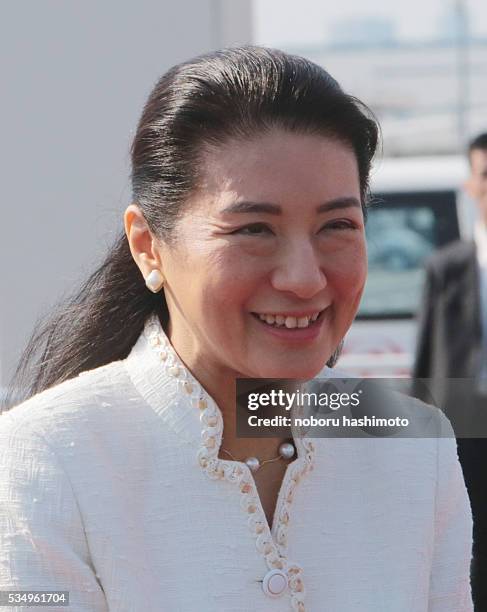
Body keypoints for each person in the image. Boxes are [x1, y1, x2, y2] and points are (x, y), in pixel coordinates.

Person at [0, 47, 472, 611]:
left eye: (337, 225)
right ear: (148, 246)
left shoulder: (413, 447)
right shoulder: (47, 458)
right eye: (254, 229)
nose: (303, 278)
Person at [413, 132, 487, 609]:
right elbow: (426, 357)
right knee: (469, 539)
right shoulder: (447, 266)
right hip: (467, 426)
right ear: (471, 184)